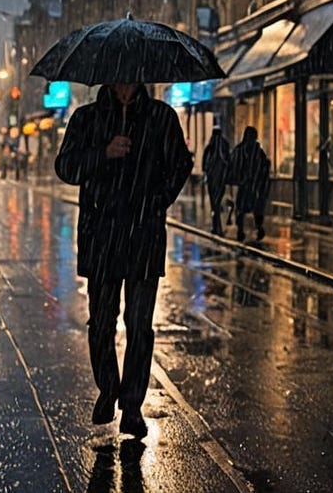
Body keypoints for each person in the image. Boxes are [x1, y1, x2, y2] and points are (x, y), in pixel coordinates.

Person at [54, 83, 193, 438]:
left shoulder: (161, 117)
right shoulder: (87, 118)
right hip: (101, 235)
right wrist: (104, 153)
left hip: (144, 235)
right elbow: (66, 166)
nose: (125, 81)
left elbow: (181, 164)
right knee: (101, 322)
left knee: (139, 323)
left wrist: (157, 200)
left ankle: (132, 405)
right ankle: (107, 388)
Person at [227, 126, 271, 242]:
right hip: (246, 186)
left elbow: (263, 169)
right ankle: (243, 230)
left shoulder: (254, 152)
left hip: (252, 186)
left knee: (251, 210)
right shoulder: (244, 151)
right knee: (244, 210)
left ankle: (255, 228)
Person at [202, 126, 232, 236]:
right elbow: (229, 160)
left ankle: (216, 223)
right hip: (221, 178)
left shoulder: (210, 147)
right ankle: (217, 222)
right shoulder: (224, 145)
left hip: (212, 178)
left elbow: (204, 164)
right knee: (218, 199)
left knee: (214, 201)